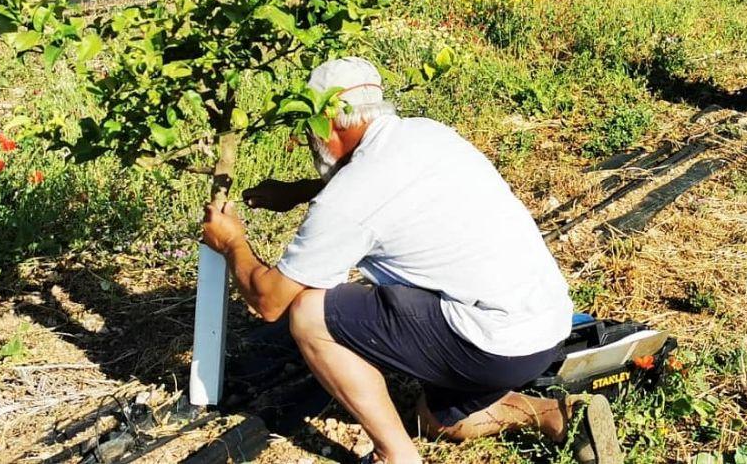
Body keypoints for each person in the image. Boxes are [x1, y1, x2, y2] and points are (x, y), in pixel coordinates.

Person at [201, 56, 624, 464]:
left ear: (328, 123)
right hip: (545, 329)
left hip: (490, 342)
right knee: (437, 421)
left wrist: (232, 242)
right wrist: (300, 191)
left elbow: (268, 300)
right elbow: (380, 187)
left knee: (309, 313)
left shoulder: (349, 200)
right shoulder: (427, 134)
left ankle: (396, 455)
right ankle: (556, 416)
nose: (311, 141)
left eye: (311, 131)